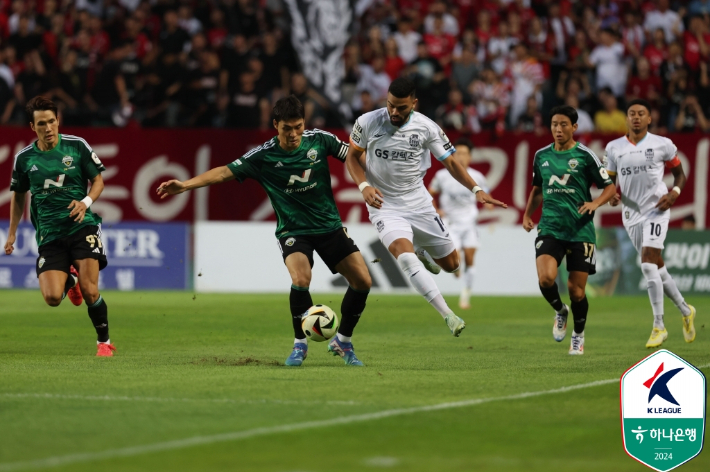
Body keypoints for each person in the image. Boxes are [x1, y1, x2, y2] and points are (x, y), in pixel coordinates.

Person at [157, 96, 371, 367]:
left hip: (329, 226)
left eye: (298, 127)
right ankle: (299, 345)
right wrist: (185, 185)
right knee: (301, 278)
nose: (293, 134)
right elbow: (224, 172)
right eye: (286, 128)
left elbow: (354, 155)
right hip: (293, 230)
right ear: (275, 125)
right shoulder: (263, 155)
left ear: (304, 123)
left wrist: (377, 177)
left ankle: (342, 340)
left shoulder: (320, 139)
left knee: (363, 280)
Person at [345, 77, 506, 337]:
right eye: (390, 106)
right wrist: (364, 186)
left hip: (419, 204)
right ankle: (448, 315)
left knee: (452, 265)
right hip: (384, 205)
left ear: (414, 104)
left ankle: (421, 248)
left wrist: (476, 190)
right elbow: (352, 157)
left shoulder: (427, 128)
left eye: (401, 108)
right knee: (405, 258)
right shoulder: (367, 122)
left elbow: (452, 163)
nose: (394, 112)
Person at [4, 96, 113, 356]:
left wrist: (85, 202)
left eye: (52, 121)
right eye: (42, 123)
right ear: (33, 127)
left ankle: (104, 342)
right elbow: (18, 196)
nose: (49, 128)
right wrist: (12, 233)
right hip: (49, 234)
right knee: (52, 298)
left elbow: (98, 181)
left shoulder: (77, 146)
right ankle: (69, 279)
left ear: (58, 120)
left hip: (81, 226)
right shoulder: (24, 159)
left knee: (90, 290)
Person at [523, 105, 616, 355]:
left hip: (580, 230)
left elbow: (609, 187)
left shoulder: (585, 155)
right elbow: (537, 190)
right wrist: (527, 214)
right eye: (554, 124)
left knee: (577, 291)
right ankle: (559, 310)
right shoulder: (541, 155)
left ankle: (578, 334)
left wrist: (595, 203)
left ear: (574, 127)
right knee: (546, 278)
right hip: (550, 226)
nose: (558, 129)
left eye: (564, 124)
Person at [605, 98, 696, 348]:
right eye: (631, 113)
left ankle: (659, 326)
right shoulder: (614, 148)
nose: (635, 117)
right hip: (631, 216)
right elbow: (609, 181)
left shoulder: (662, 144)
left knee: (647, 265)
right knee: (657, 267)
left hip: (657, 210)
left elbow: (680, 175)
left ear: (649, 119)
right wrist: (612, 194)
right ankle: (686, 311)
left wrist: (674, 193)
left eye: (641, 113)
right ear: (626, 118)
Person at [428, 137, 490, 309]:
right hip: (450, 223)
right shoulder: (442, 175)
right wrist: (436, 210)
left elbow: (486, 195)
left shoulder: (477, 176)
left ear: (470, 157)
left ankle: (465, 295)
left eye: (465, 153)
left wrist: (490, 204)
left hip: (470, 222)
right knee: (454, 260)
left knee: (470, 258)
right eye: (458, 153)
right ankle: (456, 270)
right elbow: (430, 193)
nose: (461, 157)